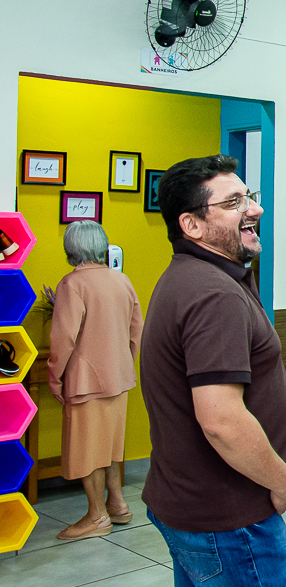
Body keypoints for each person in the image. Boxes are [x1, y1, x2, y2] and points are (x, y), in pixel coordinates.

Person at [141, 155, 286, 587]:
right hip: (230, 521)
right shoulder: (214, 294)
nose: (255, 209)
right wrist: (285, 482)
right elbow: (221, 421)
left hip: (198, 509)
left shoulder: (192, 276)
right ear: (192, 225)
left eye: (248, 197)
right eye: (234, 203)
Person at [48, 220, 143, 540]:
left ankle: (96, 516)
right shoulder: (121, 280)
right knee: (110, 445)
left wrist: (54, 377)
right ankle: (117, 504)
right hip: (118, 377)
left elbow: (64, 339)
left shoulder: (72, 284)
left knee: (87, 449)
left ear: (71, 248)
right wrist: (122, 363)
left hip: (85, 381)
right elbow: (136, 330)